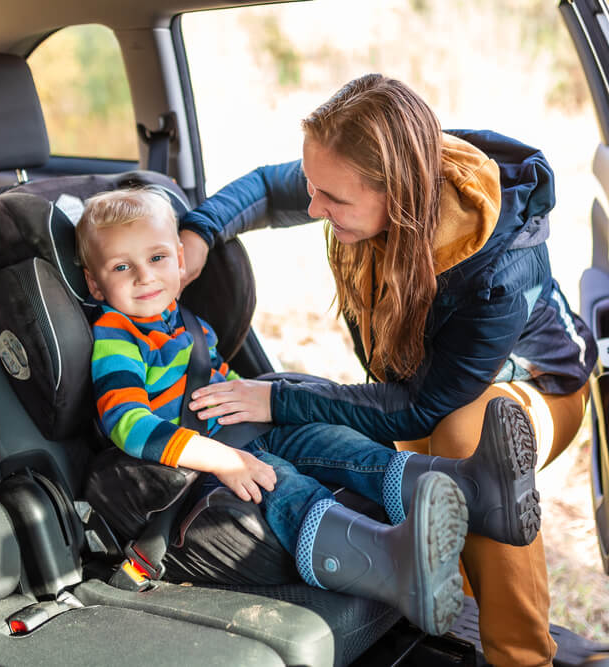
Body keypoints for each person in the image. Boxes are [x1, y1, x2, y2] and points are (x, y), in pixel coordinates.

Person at [180, 74, 598, 666]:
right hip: (429, 394)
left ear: (398, 195)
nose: (313, 208)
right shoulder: (362, 177)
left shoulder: (499, 267)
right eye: (312, 186)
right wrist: (199, 233)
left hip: (540, 390)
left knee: (464, 436)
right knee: (401, 452)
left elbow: (421, 406)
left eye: (334, 200)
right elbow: (263, 191)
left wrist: (279, 401)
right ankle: (454, 627)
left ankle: (522, 658)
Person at [76, 185, 541, 636]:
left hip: (243, 429)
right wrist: (222, 459)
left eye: (157, 258)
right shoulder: (117, 335)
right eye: (122, 267)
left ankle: (477, 493)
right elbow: (127, 422)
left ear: (180, 259)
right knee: (285, 485)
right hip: (202, 462)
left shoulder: (187, 322)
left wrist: (261, 404)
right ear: (96, 283)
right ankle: (391, 565)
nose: (144, 276)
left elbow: (219, 383)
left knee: (338, 444)